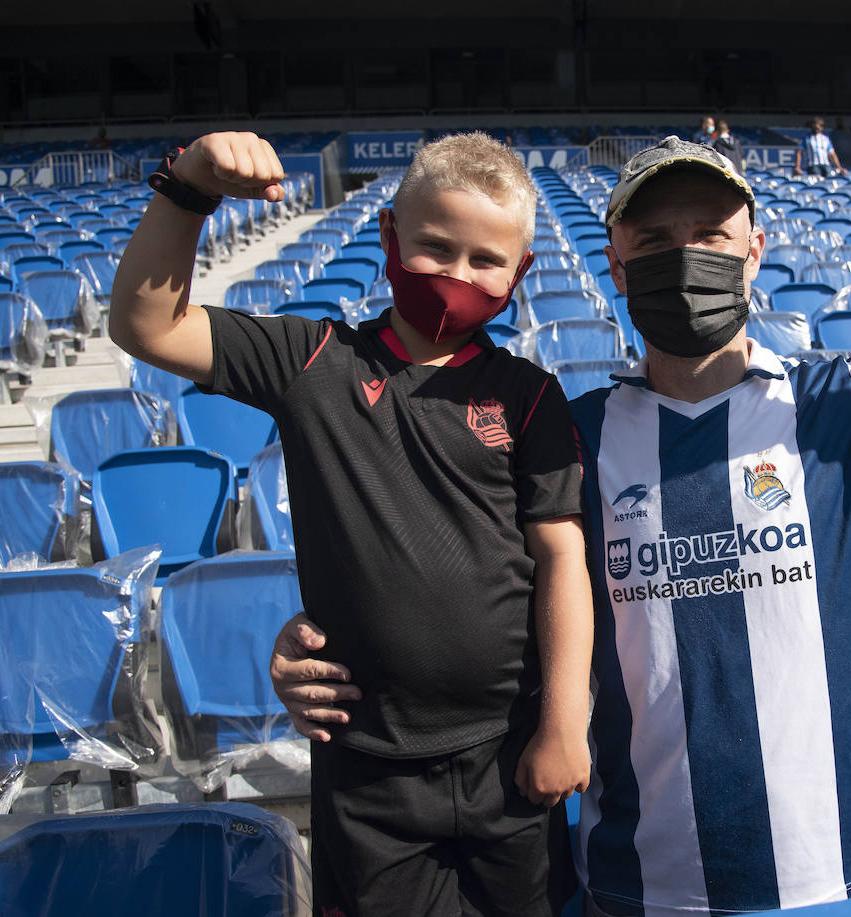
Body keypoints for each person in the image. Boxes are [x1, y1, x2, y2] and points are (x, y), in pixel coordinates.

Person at [273, 118, 851, 914]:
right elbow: (432, 584)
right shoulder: (563, 440)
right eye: (653, 240)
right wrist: (319, 651)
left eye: (711, 235)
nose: (684, 258)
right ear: (615, 265)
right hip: (639, 889)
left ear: (754, 251)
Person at [110, 130, 593, 916]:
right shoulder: (314, 360)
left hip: (508, 754)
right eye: (435, 247)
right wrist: (189, 185)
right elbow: (147, 326)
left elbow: (561, 560)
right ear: (389, 237)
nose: (456, 276)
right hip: (367, 769)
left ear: (521, 273)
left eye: (485, 260)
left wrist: (565, 722)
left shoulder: (529, 395)